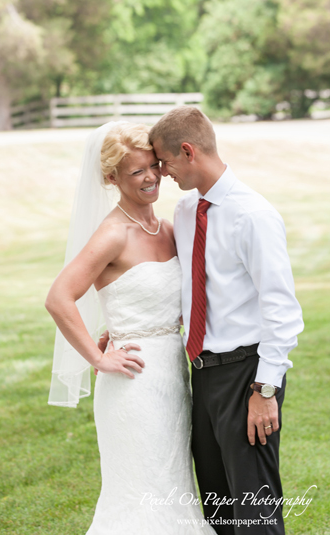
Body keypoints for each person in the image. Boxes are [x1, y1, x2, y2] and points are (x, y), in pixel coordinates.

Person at [46, 122, 215, 534]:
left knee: (174, 484)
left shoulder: (171, 230)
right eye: (137, 171)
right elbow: (58, 298)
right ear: (111, 178)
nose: (151, 177)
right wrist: (99, 356)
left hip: (173, 376)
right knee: (141, 490)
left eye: (154, 165)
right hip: (132, 383)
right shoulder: (112, 235)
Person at [149, 106, 303, 534]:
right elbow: (190, 288)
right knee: (218, 510)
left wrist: (265, 390)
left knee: (256, 512)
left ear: (187, 151)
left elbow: (282, 310)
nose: (162, 173)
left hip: (247, 376)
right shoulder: (184, 212)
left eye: (165, 162)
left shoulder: (253, 215)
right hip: (202, 376)